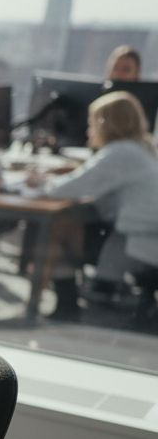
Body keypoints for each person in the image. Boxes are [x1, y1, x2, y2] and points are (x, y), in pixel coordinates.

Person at [31, 91, 158, 325]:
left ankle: (60, 303)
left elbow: (66, 189)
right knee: (69, 222)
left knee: (59, 227)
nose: (89, 130)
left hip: (140, 240)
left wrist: (34, 184)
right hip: (139, 233)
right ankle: (68, 301)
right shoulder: (142, 147)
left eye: (92, 123)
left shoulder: (121, 152)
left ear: (104, 123)